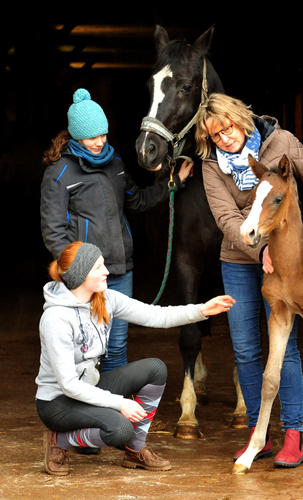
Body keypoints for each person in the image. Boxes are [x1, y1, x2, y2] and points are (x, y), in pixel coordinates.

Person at [195, 93, 303, 469]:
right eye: (215, 135)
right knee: (245, 349)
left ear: (241, 119)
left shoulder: (282, 143)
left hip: (290, 255)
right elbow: (225, 217)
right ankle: (260, 432)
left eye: (228, 128)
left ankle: (293, 433)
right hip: (241, 257)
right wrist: (259, 252)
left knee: (285, 348)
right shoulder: (212, 166)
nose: (224, 138)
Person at [36, 241, 235, 476]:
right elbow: (68, 384)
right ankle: (60, 440)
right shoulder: (56, 318)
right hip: (57, 402)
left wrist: (200, 310)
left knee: (155, 368)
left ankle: (135, 450)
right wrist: (120, 403)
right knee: (120, 429)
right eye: (98, 267)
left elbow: (155, 315)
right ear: (81, 275)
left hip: (88, 387)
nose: (107, 271)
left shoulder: (105, 298)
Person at [40, 88, 193, 374]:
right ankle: (88, 410)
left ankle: (113, 412)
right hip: (84, 276)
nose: (99, 142)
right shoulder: (59, 173)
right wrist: (79, 272)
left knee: (117, 345)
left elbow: (139, 201)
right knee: (86, 348)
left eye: (103, 135)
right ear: (76, 135)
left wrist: (175, 182)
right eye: (92, 136)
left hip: (120, 270)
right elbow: (53, 232)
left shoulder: (116, 164)